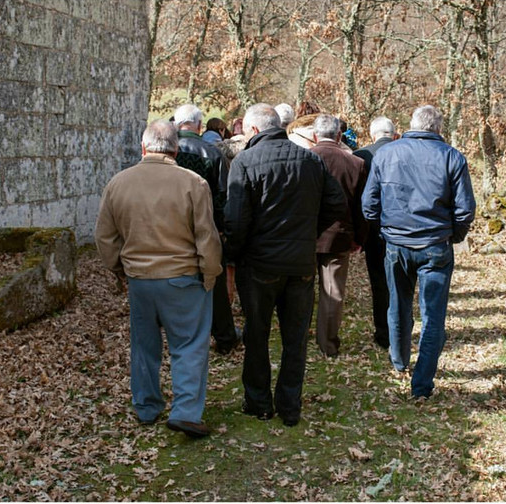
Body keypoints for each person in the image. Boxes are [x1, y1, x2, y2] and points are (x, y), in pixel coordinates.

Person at [95, 119, 222, 437]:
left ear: (143, 147)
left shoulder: (118, 183)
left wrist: (118, 270)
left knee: (144, 345)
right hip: (183, 277)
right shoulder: (193, 183)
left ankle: (148, 406)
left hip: (139, 278)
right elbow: (206, 237)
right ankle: (186, 411)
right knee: (190, 344)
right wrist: (211, 273)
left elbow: (104, 238)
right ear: (176, 149)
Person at [224, 103, 346, 427]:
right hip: (299, 264)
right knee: (295, 339)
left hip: (260, 264)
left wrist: (233, 254)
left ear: (252, 131)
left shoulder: (245, 161)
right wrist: (309, 233)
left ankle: (259, 401)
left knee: (257, 333)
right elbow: (337, 203)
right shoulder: (310, 160)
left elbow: (235, 220)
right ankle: (289, 406)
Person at [361, 105, 476, 399]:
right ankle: (420, 383)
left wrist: (385, 231)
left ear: (411, 125)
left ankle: (401, 364)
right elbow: (465, 211)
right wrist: (453, 236)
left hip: (401, 244)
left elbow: (369, 205)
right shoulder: (452, 157)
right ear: (438, 128)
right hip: (433, 245)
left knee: (397, 305)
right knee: (432, 316)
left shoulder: (386, 154)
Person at [174, 104, 240, 355]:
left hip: (170, 225)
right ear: (199, 126)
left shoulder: (167, 149)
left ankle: (183, 332)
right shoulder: (211, 152)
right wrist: (222, 229)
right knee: (214, 281)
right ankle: (224, 335)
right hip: (206, 224)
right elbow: (223, 195)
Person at [310, 114, 368, 357]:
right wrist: (360, 238)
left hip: (304, 235)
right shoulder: (355, 163)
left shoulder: (304, 159)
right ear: (339, 135)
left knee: (301, 292)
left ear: (314, 135)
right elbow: (362, 207)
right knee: (332, 292)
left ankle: (298, 338)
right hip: (339, 235)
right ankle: (328, 344)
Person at [353, 116, 398, 350]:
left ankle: (383, 333)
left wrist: (359, 232)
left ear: (372, 135)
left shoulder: (361, 156)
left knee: (379, 282)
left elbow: (358, 197)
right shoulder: (405, 152)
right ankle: (401, 329)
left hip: (373, 228)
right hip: (402, 226)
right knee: (401, 282)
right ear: (394, 133)